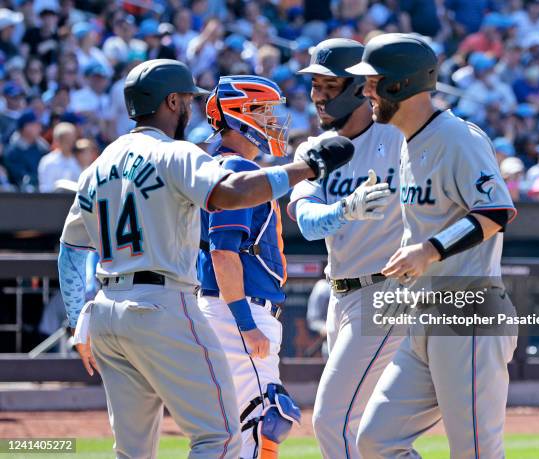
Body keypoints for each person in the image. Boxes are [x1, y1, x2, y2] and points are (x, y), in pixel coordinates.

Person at [57, 59, 353, 459]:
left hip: (107, 310)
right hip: (162, 304)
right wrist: (306, 168)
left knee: (132, 450)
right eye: (188, 102)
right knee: (222, 436)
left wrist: (78, 321)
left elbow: (71, 248)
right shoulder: (176, 153)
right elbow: (229, 195)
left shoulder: (99, 163)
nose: (192, 110)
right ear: (173, 101)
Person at [346, 33, 518, 458]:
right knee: (376, 441)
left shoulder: (457, 137)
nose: (364, 90)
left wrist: (429, 250)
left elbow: (496, 211)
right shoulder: (410, 142)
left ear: (399, 85)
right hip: (423, 315)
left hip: (468, 310)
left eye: (372, 81)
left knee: (475, 451)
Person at [287, 38, 406, 459]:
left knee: (332, 420)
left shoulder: (397, 139)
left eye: (329, 85)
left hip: (388, 292)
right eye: (315, 85)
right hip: (340, 296)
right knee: (368, 432)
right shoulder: (315, 150)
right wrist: (344, 210)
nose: (318, 95)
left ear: (359, 86)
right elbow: (306, 222)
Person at [197, 75, 301, 459]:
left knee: (231, 430)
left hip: (222, 309)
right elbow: (223, 252)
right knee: (264, 421)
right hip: (236, 311)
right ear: (239, 114)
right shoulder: (236, 167)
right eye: (263, 111)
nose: (273, 120)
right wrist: (245, 322)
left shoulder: (211, 166)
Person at [37, 122, 80, 192]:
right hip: (54, 201)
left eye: (72, 140)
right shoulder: (48, 162)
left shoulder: (79, 159)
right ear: (58, 141)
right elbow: (45, 189)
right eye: (66, 140)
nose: (70, 143)